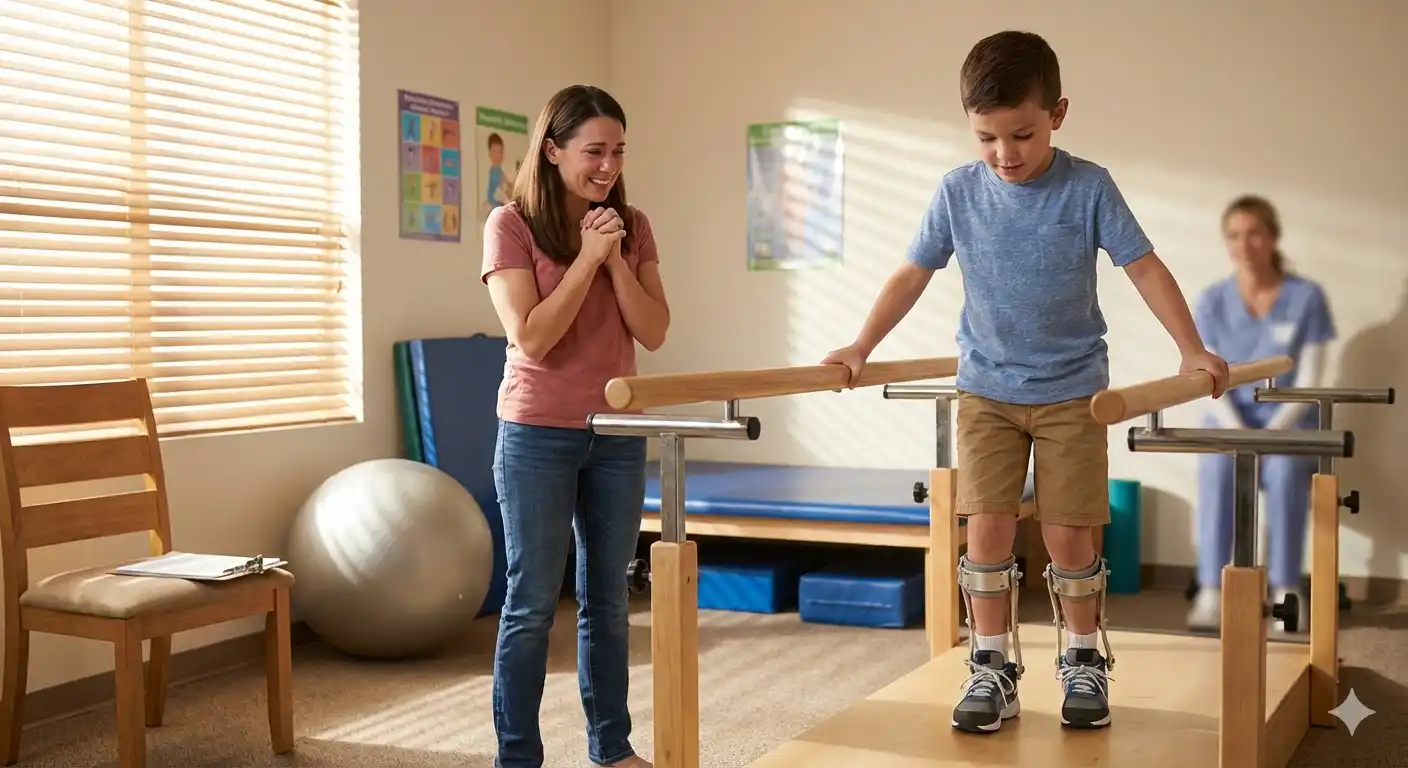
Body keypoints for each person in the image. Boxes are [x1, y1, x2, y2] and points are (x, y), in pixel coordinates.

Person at [822, 30, 1230, 735]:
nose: (1005, 154)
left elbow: (1145, 268)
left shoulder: (1088, 185)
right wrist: (860, 346)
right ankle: (990, 666)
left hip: (1074, 390)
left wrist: (1192, 349)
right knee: (985, 531)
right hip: (986, 390)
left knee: (1071, 537)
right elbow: (911, 274)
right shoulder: (957, 191)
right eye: (987, 137)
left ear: (1058, 114)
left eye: (1022, 134)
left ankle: (1081, 660)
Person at [480, 84, 669, 768]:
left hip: (616, 433)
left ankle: (612, 749)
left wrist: (614, 256)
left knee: (608, 601)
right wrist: (586, 260)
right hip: (537, 432)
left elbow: (653, 329)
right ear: (552, 150)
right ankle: (518, 757)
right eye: (594, 151)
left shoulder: (633, 223)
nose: (608, 166)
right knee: (532, 604)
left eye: (618, 151)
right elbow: (531, 339)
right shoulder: (510, 225)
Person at [1187, 195, 1335, 633]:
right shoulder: (1213, 300)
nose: (1244, 244)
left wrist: (1271, 435)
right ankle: (1212, 589)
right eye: (1234, 235)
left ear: (1272, 237)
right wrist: (1239, 435)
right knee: (1215, 472)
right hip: (1227, 421)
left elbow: (1311, 376)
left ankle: (1286, 590)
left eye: (1254, 233)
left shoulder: (1306, 297)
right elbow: (1203, 374)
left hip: (1287, 424)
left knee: (1288, 477)